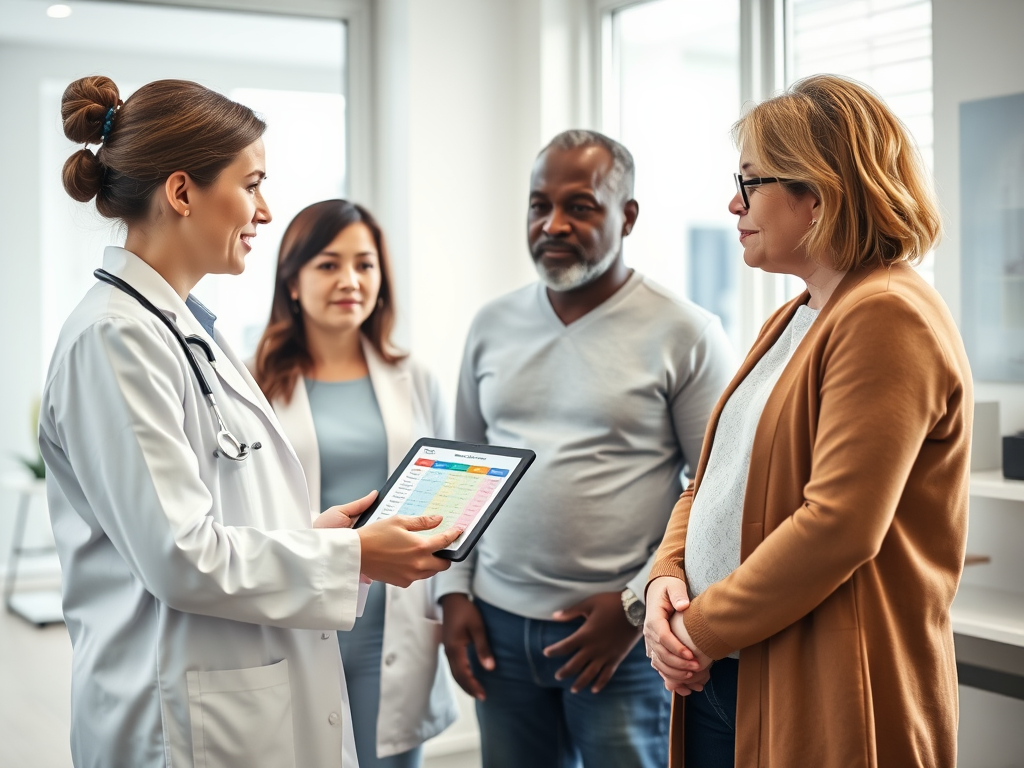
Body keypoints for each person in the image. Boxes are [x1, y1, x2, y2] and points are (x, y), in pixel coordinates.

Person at [38, 75, 462, 768]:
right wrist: (354, 555)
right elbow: (180, 558)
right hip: (179, 722)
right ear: (181, 193)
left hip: (235, 697)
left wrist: (313, 536)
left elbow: (209, 518)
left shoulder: (181, 329)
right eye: (252, 183)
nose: (265, 211)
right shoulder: (115, 340)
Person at [643, 74, 972, 768]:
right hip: (729, 667)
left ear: (816, 196)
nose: (733, 204)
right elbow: (709, 479)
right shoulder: (795, 314)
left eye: (750, 182)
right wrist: (663, 581)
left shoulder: (887, 315)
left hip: (817, 679)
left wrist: (696, 629)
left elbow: (838, 526)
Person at [436, 129, 736, 768]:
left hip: (617, 640)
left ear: (627, 217)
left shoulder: (686, 332)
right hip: (496, 624)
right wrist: (454, 592)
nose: (554, 224)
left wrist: (632, 605)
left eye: (581, 206)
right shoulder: (491, 324)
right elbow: (462, 466)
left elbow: (715, 491)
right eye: (539, 205)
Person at [252, 199, 458, 768]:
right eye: (327, 264)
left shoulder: (415, 377)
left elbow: (450, 499)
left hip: (393, 626)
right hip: (296, 609)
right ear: (292, 282)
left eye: (365, 265)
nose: (350, 281)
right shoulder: (251, 384)